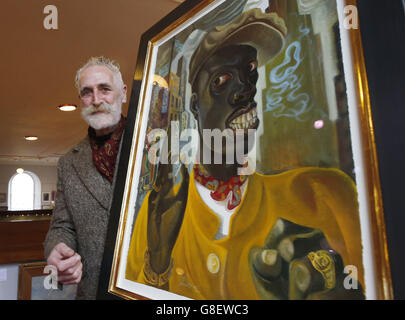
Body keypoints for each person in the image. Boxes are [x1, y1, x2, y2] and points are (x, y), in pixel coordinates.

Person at [125, 9, 365, 300]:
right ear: (195, 105)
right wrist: (158, 264)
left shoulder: (325, 195)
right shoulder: (156, 217)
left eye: (250, 71)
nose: (246, 89)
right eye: (222, 80)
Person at [44, 56, 128, 300]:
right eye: (87, 92)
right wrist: (56, 249)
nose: (97, 100)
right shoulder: (68, 162)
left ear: (122, 93)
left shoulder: (153, 144)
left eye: (104, 89)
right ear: (80, 100)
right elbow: (61, 226)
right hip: (93, 294)